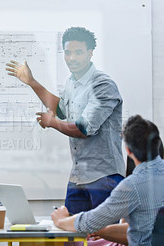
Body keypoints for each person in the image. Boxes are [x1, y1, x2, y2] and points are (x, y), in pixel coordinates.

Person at [6, 26, 125, 215]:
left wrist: (51, 122)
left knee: (103, 239)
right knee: (71, 236)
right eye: (68, 53)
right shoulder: (71, 82)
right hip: (79, 176)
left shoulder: (102, 84)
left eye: (78, 53)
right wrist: (32, 82)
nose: (72, 58)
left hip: (104, 176)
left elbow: (83, 129)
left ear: (90, 53)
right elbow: (61, 110)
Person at [51, 115, 164, 246]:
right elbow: (147, 228)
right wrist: (102, 230)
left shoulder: (132, 185)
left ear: (128, 150)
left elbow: (89, 222)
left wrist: (61, 220)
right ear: (158, 144)